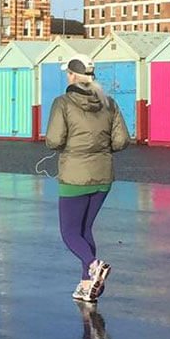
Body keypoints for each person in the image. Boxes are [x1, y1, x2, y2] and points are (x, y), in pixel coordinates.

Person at [43, 55, 129, 303]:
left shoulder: (62, 103)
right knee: (85, 229)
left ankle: (93, 265)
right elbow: (122, 140)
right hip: (103, 177)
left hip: (74, 176)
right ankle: (86, 285)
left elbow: (54, 140)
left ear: (72, 76)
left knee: (69, 232)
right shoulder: (109, 103)